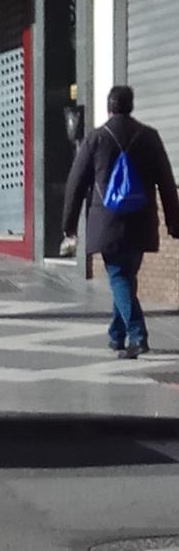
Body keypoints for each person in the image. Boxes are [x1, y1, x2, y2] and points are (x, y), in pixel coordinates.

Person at [62, 85, 179, 359]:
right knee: (125, 278)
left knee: (118, 278)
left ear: (109, 107)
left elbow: (75, 183)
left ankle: (137, 336)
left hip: (108, 222)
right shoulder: (149, 137)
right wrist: (174, 222)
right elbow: (167, 182)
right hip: (141, 221)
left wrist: (69, 226)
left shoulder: (96, 138)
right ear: (131, 106)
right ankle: (117, 335)